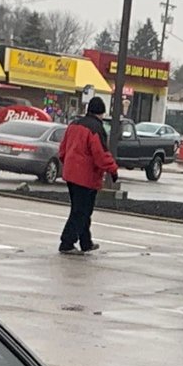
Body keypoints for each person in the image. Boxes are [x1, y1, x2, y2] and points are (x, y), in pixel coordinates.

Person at [57, 96, 117, 254]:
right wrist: (112, 169)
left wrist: (67, 163)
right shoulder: (96, 129)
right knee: (81, 211)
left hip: (70, 173)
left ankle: (86, 242)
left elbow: (62, 150)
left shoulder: (74, 124)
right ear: (101, 113)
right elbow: (101, 154)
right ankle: (67, 242)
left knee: (80, 209)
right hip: (86, 177)